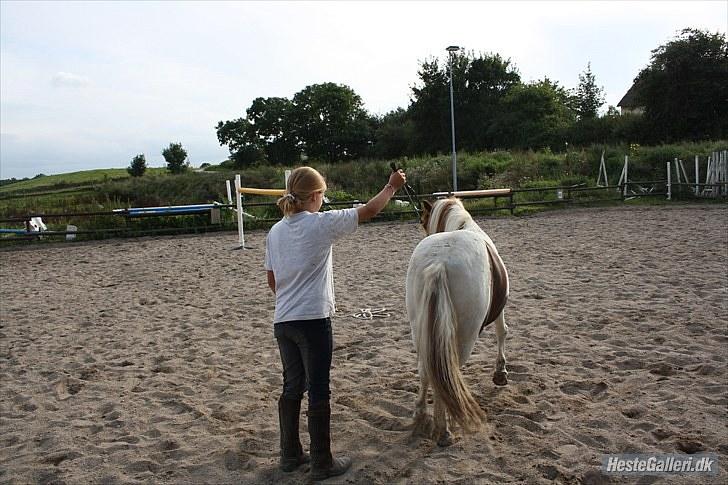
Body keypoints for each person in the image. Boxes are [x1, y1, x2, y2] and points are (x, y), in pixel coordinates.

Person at [264, 166, 406, 480]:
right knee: (318, 388)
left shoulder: (275, 231)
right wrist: (391, 186)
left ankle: (289, 455)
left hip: (283, 321)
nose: (323, 200)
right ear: (314, 196)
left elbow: (272, 280)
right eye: (322, 195)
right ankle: (321, 462)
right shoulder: (321, 224)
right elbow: (369, 210)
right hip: (313, 320)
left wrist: (291, 297)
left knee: (291, 386)